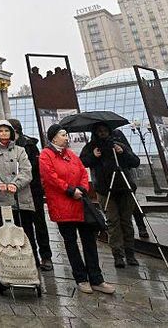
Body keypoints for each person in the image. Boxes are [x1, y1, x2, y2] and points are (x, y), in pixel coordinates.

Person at [39, 124, 114, 295]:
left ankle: (97, 279)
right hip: (63, 205)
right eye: (63, 135)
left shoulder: (71, 154)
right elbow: (50, 177)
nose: (67, 138)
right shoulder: (46, 155)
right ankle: (81, 278)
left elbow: (82, 171)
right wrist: (70, 190)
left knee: (89, 242)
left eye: (66, 135)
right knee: (71, 243)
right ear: (53, 138)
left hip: (81, 204)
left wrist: (82, 188)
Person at [80, 123, 141, 268]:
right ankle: (118, 255)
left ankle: (130, 253)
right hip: (105, 190)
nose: (102, 133)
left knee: (126, 222)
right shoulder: (91, 147)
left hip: (124, 187)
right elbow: (82, 162)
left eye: (105, 130)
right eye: (99, 131)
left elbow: (135, 162)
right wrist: (93, 156)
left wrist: (122, 152)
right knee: (113, 222)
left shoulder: (118, 144)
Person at [0, 119, 40, 267]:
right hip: (1, 198)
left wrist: (16, 183)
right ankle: (6, 265)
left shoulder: (20, 150)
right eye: (0, 131)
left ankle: (31, 262)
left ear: (12, 132)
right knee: (4, 233)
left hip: (21, 198)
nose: (4, 133)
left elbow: (27, 171)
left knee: (26, 231)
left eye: (6, 130)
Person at [8, 119, 54, 270]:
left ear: (15, 130)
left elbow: (35, 167)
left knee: (39, 224)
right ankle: (31, 255)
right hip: (16, 193)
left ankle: (46, 256)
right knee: (24, 226)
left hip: (32, 191)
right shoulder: (6, 146)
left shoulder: (29, 145)